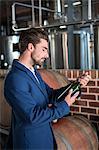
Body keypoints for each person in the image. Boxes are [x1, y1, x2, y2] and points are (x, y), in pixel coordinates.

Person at [4, 28, 91, 150]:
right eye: (44, 49)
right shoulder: (16, 78)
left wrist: (76, 85)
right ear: (30, 47)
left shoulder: (33, 72)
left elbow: (50, 95)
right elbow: (32, 116)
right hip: (30, 143)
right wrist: (64, 106)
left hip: (44, 138)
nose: (47, 55)